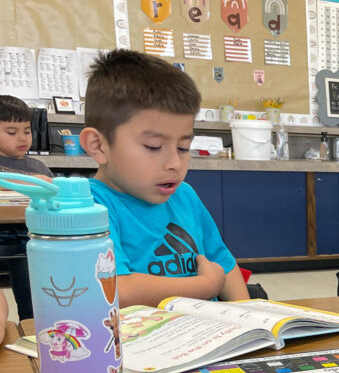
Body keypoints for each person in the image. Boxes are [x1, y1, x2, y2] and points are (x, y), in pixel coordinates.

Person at [79, 50, 248, 307]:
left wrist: (247, 316)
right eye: (153, 146)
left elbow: (223, 264)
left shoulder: (185, 195)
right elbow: (117, 290)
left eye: (183, 148)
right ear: (98, 146)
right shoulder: (91, 206)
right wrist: (205, 286)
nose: (174, 164)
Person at [0, 95, 52, 178]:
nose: (23, 138)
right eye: (12, 133)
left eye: (27, 132)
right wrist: (34, 181)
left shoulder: (40, 168)